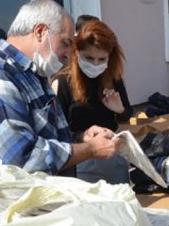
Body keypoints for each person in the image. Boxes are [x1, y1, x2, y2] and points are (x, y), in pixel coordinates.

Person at [0, 0, 120, 175]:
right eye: (65, 43)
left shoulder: (32, 74)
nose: (69, 54)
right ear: (40, 32)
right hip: (10, 193)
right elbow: (25, 158)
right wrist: (91, 149)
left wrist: (82, 138)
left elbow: (47, 137)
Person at [52, 19, 132, 184]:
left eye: (102, 59)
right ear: (77, 53)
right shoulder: (62, 82)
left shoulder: (113, 78)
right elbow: (55, 132)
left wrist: (120, 110)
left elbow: (126, 117)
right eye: (88, 58)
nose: (95, 64)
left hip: (111, 157)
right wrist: (83, 136)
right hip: (80, 161)